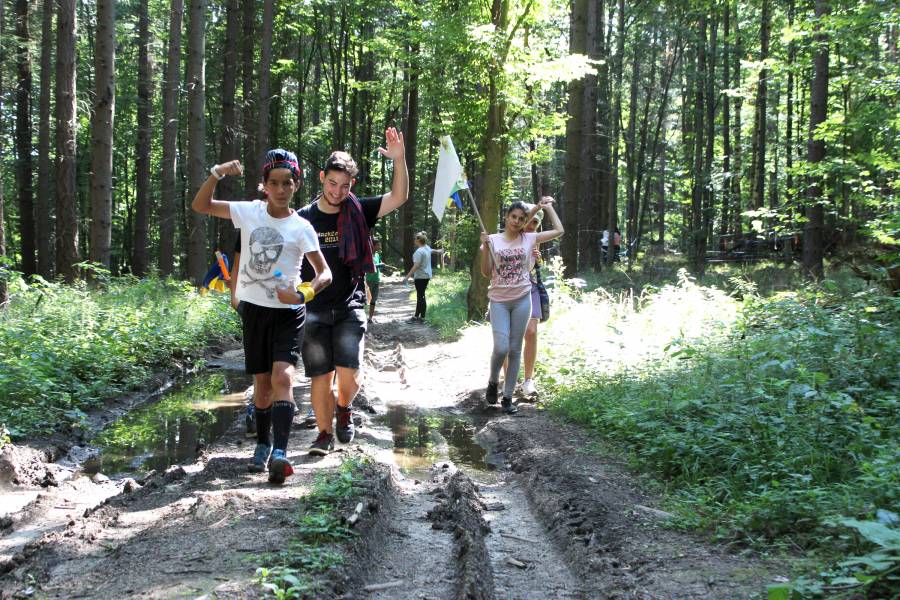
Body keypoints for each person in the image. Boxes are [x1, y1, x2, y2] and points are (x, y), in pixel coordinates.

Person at [192, 149, 332, 484]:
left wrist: (301, 294)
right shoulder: (249, 213)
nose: (281, 189)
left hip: (288, 313)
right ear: (264, 185)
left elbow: (324, 274)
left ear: (296, 185)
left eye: (288, 182)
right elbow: (201, 205)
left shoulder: (302, 228)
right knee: (262, 386)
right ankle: (263, 443)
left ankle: (280, 455)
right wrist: (217, 171)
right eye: (275, 182)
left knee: (283, 377)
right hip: (254, 312)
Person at [299, 127, 408, 455]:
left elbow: (399, 196)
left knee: (349, 377)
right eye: (332, 183)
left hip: (350, 306)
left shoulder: (359, 211)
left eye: (344, 186)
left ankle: (344, 408)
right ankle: (322, 434)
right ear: (321, 178)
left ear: (352, 186)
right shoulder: (303, 218)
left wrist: (399, 160)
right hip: (314, 309)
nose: (337, 191)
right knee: (320, 376)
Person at [480, 197, 563, 414]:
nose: (516, 221)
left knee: (515, 349)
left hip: (522, 300)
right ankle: (492, 381)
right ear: (506, 217)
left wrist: (548, 207)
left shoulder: (529, 238)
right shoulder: (494, 240)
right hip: (498, 301)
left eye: (521, 218)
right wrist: (486, 248)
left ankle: (507, 398)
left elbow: (559, 230)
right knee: (501, 347)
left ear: (525, 221)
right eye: (513, 217)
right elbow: (486, 273)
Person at [403, 231, 432, 322]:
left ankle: (419, 317)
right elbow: (432, 250)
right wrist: (439, 251)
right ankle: (420, 317)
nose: (414, 240)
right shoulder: (426, 248)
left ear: (418, 241)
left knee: (420, 296)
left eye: (416, 239)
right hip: (426, 276)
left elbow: (416, 266)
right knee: (421, 295)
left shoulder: (419, 252)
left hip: (420, 276)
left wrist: (407, 277)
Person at [365, 239, 383, 323]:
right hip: (368, 280)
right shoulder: (367, 255)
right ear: (373, 245)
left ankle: (370, 318)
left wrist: (382, 266)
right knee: (366, 299)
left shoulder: (377, 255)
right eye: (378, 245)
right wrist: (378, 265)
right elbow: (367, 266)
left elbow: (378, 266)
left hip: (376, 279)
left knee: (374, 300)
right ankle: (363, 316)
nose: (380, 247)